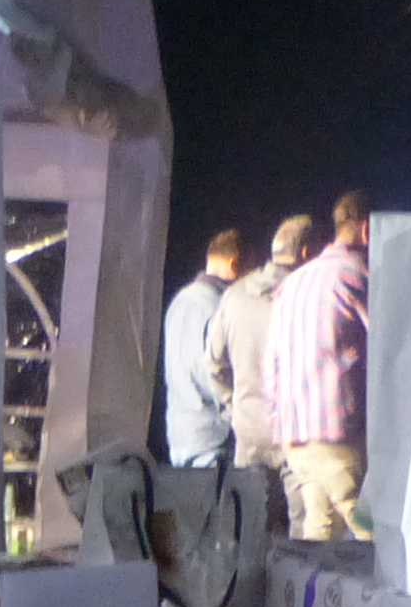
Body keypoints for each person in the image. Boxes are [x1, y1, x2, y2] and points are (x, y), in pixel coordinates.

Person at [269, 192, 376, 540]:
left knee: (320, 534)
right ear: (367, 230)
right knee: (376, 536)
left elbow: (272, 363)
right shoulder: (356, 276)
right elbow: (390, 350)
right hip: (338, 435)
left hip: (295, 434)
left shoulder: (292, 283)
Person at [205, 214, 314, 480]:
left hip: (249, 432)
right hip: (295, 436)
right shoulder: (308, 297)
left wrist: (235, 409)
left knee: (249, 504)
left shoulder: (234, 296)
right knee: (302, 509)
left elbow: (214, 364)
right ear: (307, 252)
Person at [161, 229, 243, 467]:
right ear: (234, 264)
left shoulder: (179, 302)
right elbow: (213, 375)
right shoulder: (218, 308)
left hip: (180, 436)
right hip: (212, 440)